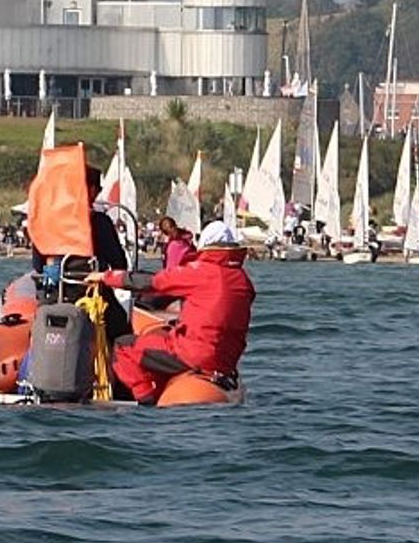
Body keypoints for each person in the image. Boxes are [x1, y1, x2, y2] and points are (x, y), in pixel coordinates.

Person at [104, 222, 256, 405]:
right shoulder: (243, 280)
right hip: (226, 359)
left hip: (194, 354)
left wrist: (107, 277)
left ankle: (145, 402)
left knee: (123, 346)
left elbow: (153, 282)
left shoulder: (201, 272)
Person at [30, 165, 131, 342]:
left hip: (53, 295)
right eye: (98, 189)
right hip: (93, 296)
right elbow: (119, 263)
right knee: (122, 330)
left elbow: (38, 265)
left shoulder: (47, 221)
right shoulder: (100, 222)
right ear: (90, 189)